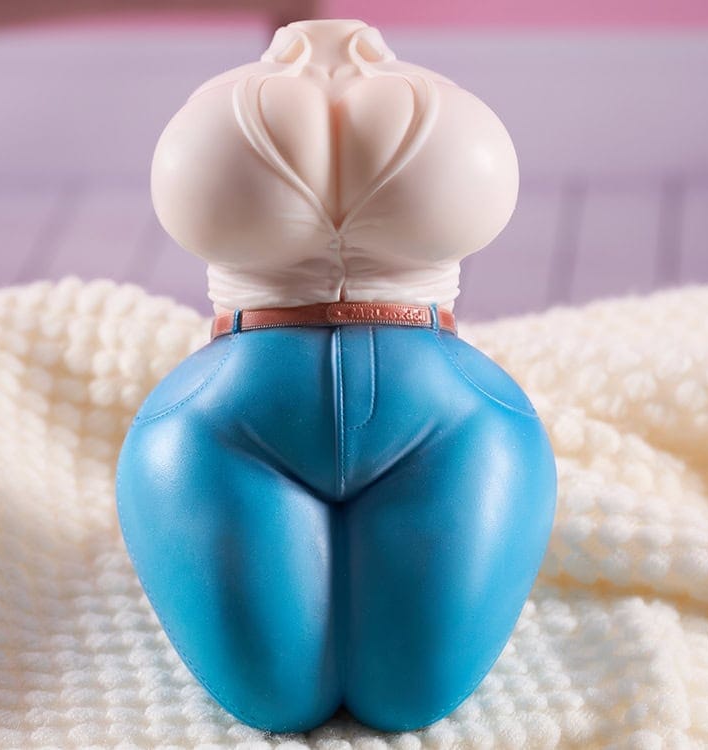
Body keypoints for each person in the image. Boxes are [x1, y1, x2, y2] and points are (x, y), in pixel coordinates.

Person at [116, 18, 557, 733]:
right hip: (251, 427)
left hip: (277, 418)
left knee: (400, 694)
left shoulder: (228, 106)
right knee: (289, 696)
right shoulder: (430, 104)